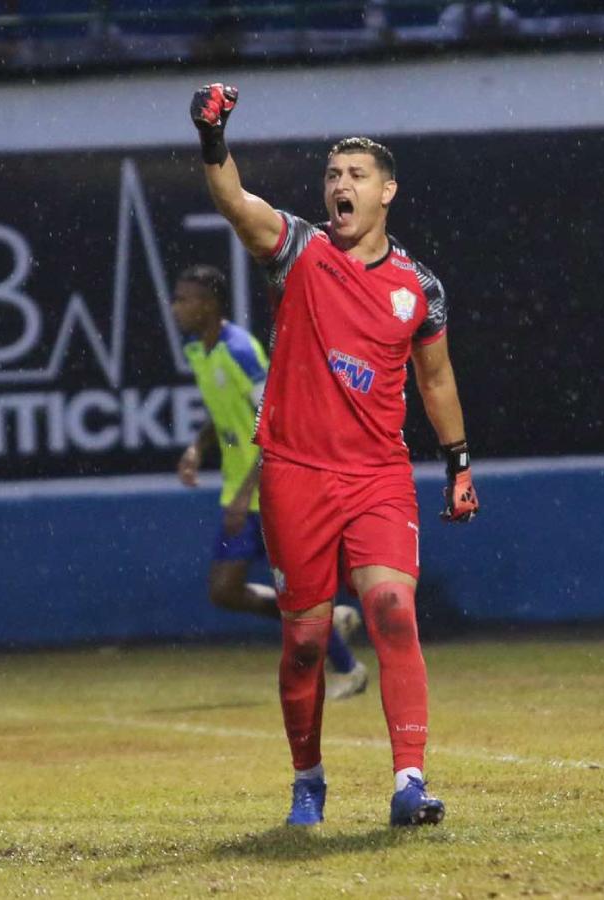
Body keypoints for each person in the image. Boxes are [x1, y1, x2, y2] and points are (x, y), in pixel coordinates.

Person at [188, 84, 480, 828]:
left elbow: (436, 378)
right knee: (306, 643)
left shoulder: (420, 290)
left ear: (387, 192)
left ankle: (410, 782)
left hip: (378, 475)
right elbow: (234, 202)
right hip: (294, 473)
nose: (339, 186)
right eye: (331, 175)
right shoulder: (299, 250)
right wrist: (213, 137)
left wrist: (458, 463)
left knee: (390, 608)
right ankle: (308, 780)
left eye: (354, 175)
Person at [170, 264, 368, 701]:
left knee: (292, 592)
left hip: (270, 490)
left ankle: (349, 670)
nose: (176, 306)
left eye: (184, 298)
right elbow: (224, 412)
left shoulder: (241, 351)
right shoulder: (195, 350)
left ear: (209, 304)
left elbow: (276, 421)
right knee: (224, 591)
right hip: (241, 491)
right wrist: (198, 448)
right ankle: (330, 623)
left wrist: (246, 493)